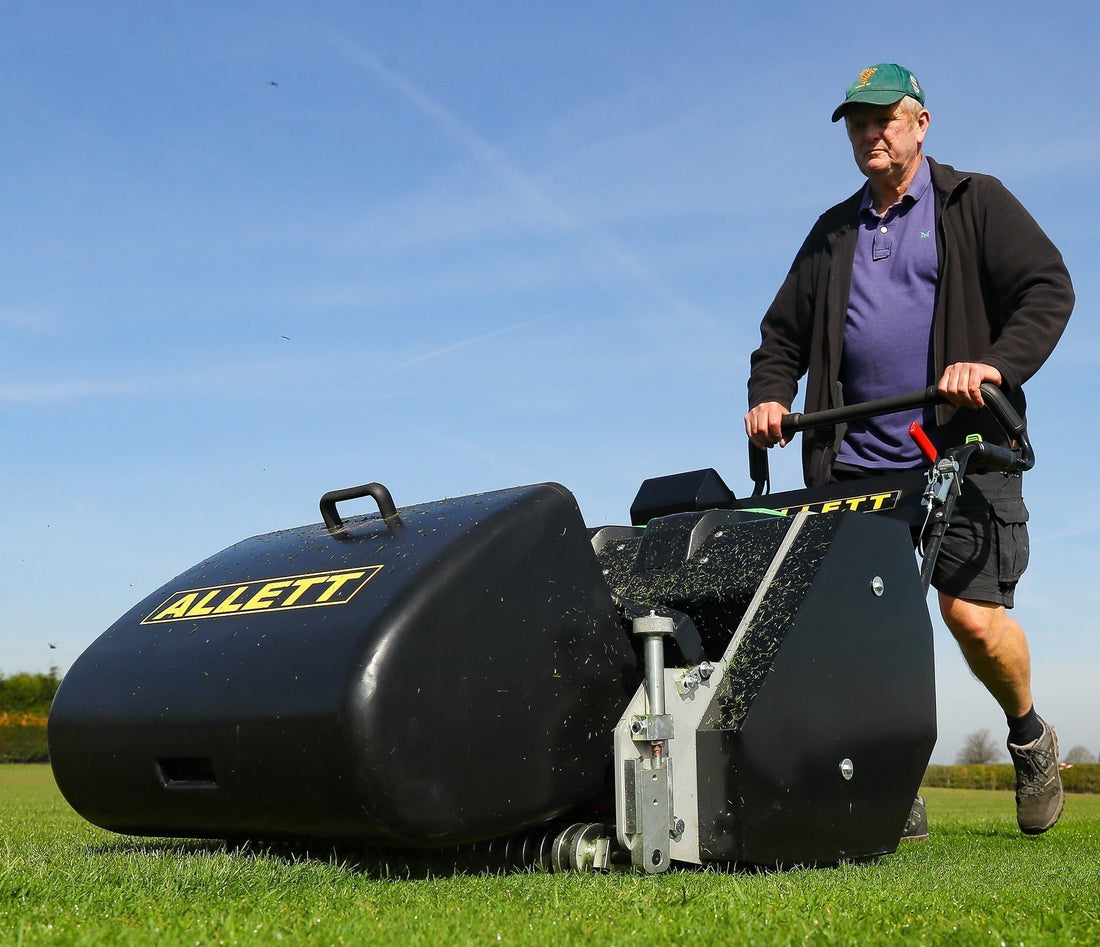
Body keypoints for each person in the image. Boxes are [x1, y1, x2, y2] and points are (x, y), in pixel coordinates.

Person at [744, 63, 1074, 836]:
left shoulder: (973, 202)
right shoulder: (832, 234)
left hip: (957, 450)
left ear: (921, 123)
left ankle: (1029, 736)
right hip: (855, 461)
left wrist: (993, 363)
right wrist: (769, 395)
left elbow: (1047, 287)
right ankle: (893, 778)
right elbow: (780, 336)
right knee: (865, 627)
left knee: (972, 618)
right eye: (857, 122)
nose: (870, 132)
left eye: (884, 117)